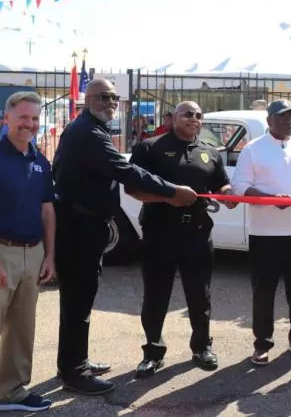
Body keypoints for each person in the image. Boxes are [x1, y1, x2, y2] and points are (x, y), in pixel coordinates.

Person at [53, 79, 198, 394]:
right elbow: (126, 171)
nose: (109, 102)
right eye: (103, 97)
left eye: (114, 97)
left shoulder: (90, 129)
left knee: (79, 300)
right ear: (88, 99)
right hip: (79, 228)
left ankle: (74, 361)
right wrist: (172, 191)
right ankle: (74, 373)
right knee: (78, 299)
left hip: (85, 225)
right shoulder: (88, 132)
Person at [127, 102, 236, 378]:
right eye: (187, 114)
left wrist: (228, 192)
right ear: (172, 118)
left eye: (198, 115)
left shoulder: (210, 152)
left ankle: (202, 347)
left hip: (197, 233)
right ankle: (153, 353)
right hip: (160, 232)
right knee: (156, 295)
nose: (193, 118)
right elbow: (132, 188)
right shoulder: (149, 148)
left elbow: (220, 183)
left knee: (200, 295)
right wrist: (169, 198)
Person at [0, 92, 56, 416]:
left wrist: (49, 256)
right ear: (7, 118)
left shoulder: (40, 161)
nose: (29, 124)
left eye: (35, 118)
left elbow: (47, 211)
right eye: (23, 117)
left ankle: (12, 390)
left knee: (21, 329)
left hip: (33, 254)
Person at [231, 100, 291, 366]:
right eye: (283, 117)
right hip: (265, 234)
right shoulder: (253, 149)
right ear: (269, 121)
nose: (289, 122)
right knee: (263, 293)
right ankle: (262, 344)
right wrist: (270, 199)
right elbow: (240, 187)